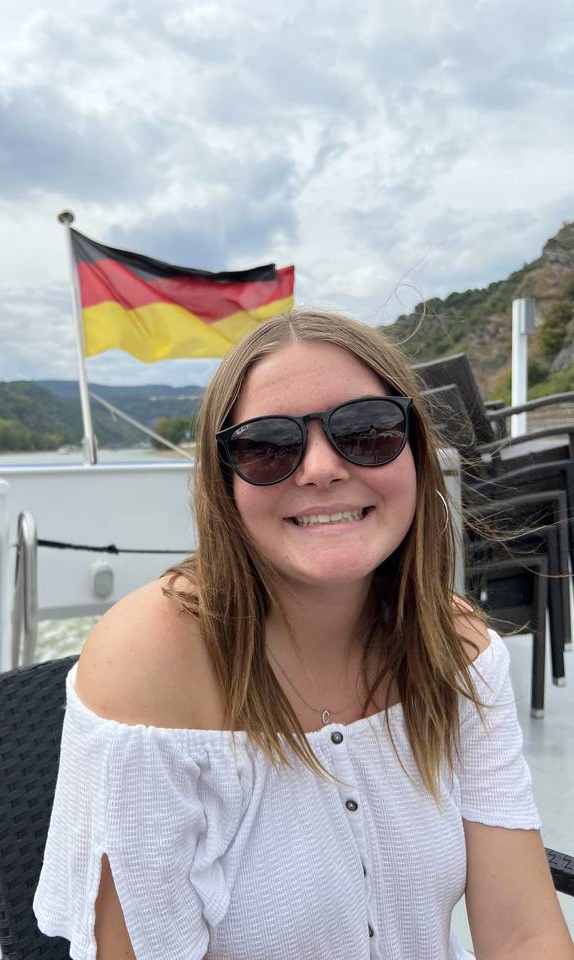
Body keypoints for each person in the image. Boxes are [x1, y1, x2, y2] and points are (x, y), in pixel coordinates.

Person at [34, 308, 573, 959]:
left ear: (416, 452)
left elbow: (522, 934)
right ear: (223, 483)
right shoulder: (150, 666)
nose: (320, 468)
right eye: (267, 445)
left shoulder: (455, 649)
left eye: (368, 432)